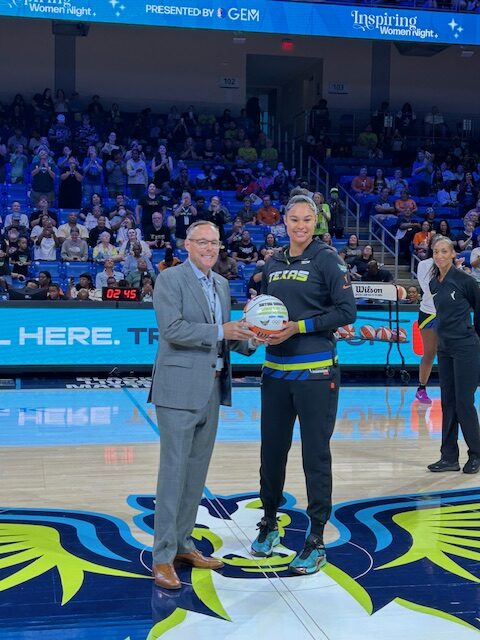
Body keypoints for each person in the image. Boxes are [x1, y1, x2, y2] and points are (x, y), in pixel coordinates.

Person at [149, 220, 259, 589]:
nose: (210, 248)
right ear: (187, 245)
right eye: (202, 242)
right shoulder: (170, 279)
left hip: (211, 389)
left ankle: (183, 544)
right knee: (173, 475)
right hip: (178, 391)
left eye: (214, 243)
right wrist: (221, 331)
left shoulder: (222, 284)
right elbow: (173, 330)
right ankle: (162, 556)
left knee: (195, 476)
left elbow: (226, 336)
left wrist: (252, 336)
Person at [250, 193, 356, 575]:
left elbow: (347, 311)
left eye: (306, 220)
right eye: (293, 219)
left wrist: (300, 326)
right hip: (275, 373)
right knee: (271, 454)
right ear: (284, 222)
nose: (299, 225)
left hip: (316, 374)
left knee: (315, 456)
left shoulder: (328, 259)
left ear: (316, 223)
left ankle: (316, 538)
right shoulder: (273, 261)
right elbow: (268, 313)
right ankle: (269, 523)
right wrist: (258, 333)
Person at [427, 237, 480, 474]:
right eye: (436, 251)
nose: (439, 255)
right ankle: (449, 457)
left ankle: (476, 454)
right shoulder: (433, 283)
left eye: (444, 251)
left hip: (466, 347)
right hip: (444, 348)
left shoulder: (465, 280)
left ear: (452, 254)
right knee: (447, 403)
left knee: (463, 403)